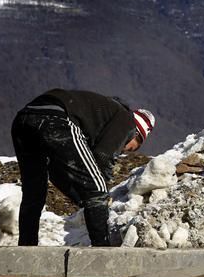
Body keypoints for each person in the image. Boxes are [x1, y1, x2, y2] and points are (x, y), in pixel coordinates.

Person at [11, 89, 155, 246]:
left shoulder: (102, 116)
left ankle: (26, 248)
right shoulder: (127, 121)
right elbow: (103, 157)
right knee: (98, 189)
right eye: (131, 148)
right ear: (136, 134)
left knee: (34, 192)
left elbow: (59, 172)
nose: (123, 150)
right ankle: (103, 254)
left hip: (24, 119)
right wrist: (99, 195)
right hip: (56, 117)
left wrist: (82, 196)